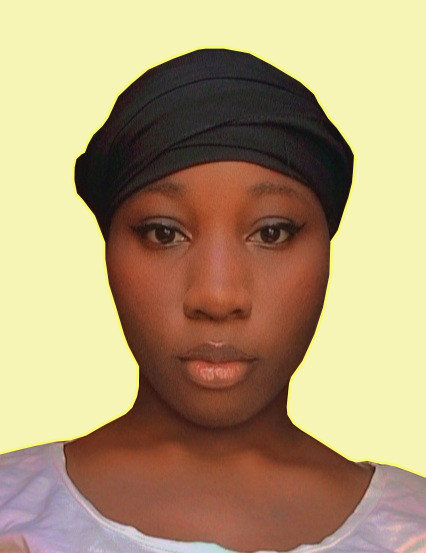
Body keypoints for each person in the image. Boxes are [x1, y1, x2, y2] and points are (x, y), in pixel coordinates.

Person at [0, 48, 425, 553]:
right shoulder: (12, 512)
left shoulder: (412, 528)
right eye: (163, 233)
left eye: (271, 232)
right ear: (108, 248)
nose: (217, 297)